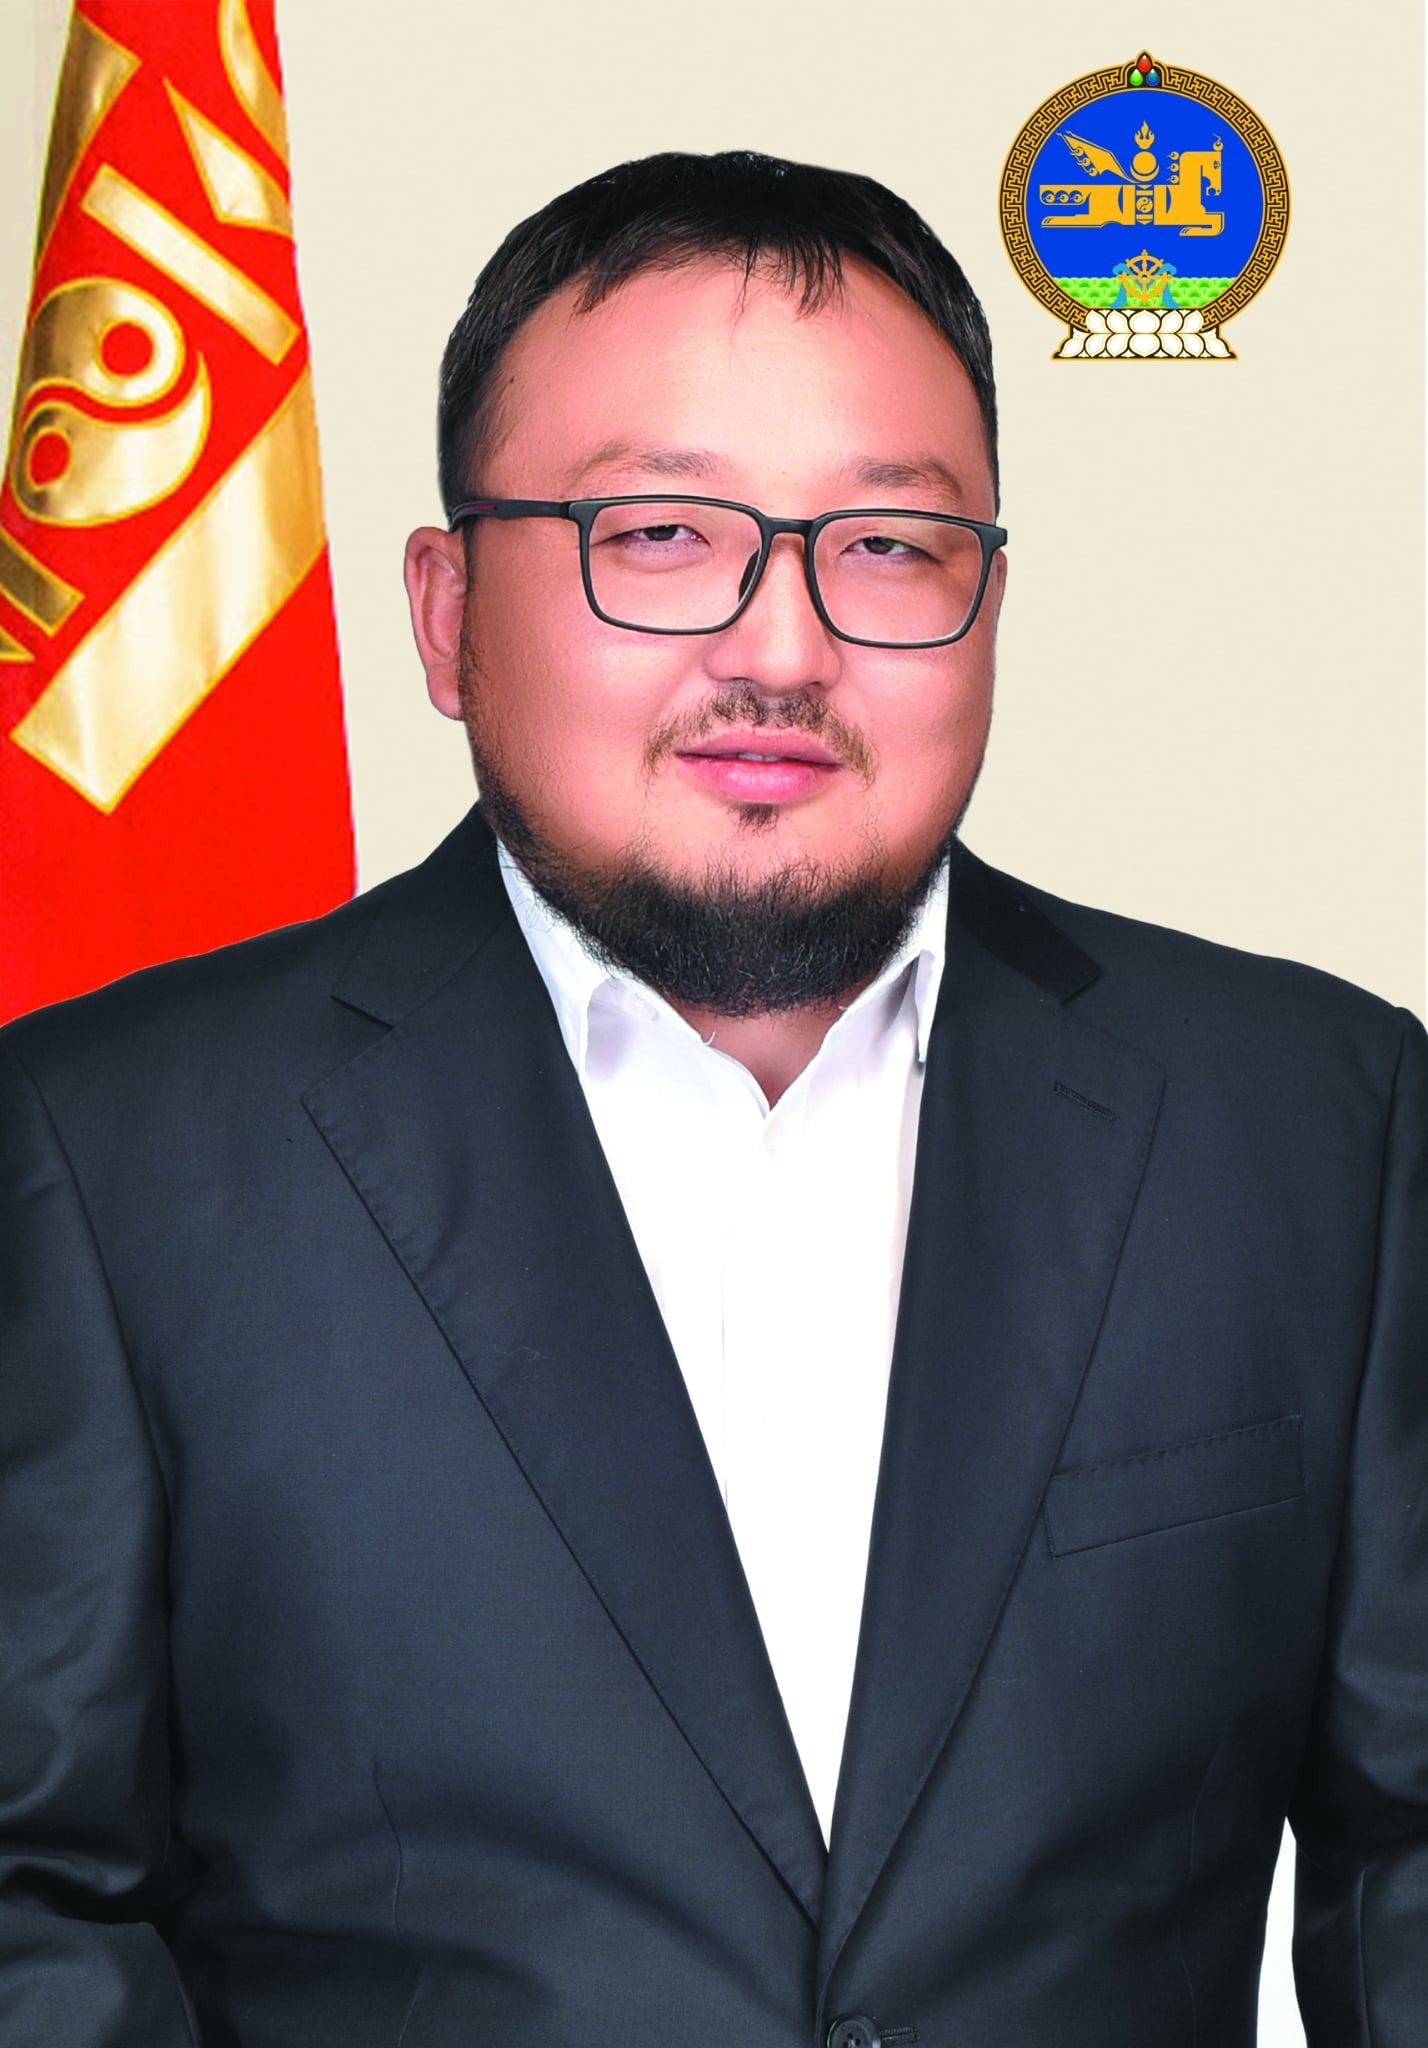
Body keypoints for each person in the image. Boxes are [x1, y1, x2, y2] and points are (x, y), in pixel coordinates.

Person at [0, 150, 1423, 2048]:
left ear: (991, 604)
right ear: (445, 612)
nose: (780, 649)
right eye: (659, 533)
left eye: (889, 546)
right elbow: (32, 1901)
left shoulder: (1316, 1122)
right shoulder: (108, 1150)